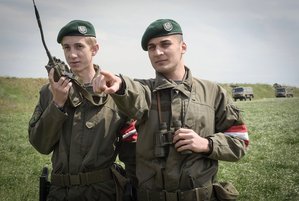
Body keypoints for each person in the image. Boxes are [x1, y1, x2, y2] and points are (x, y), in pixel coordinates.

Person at [93, 19, 250, 201]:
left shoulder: (212, 92)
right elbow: (132, 93)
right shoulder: (145, 89)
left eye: (165, 44)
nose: (157, 52)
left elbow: (240, 141)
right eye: (151, 47)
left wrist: (207, 144)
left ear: (182, 47)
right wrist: (119, 85)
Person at [29, 20, 137, 201]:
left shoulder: (114, 92)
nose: (72, 54)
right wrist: (57, 104)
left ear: (94, 49)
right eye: (66, 48)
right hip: (59, 193)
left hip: (102, 193)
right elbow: (41, 144)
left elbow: (132, 154)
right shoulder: (49, 91)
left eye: (79, 47)